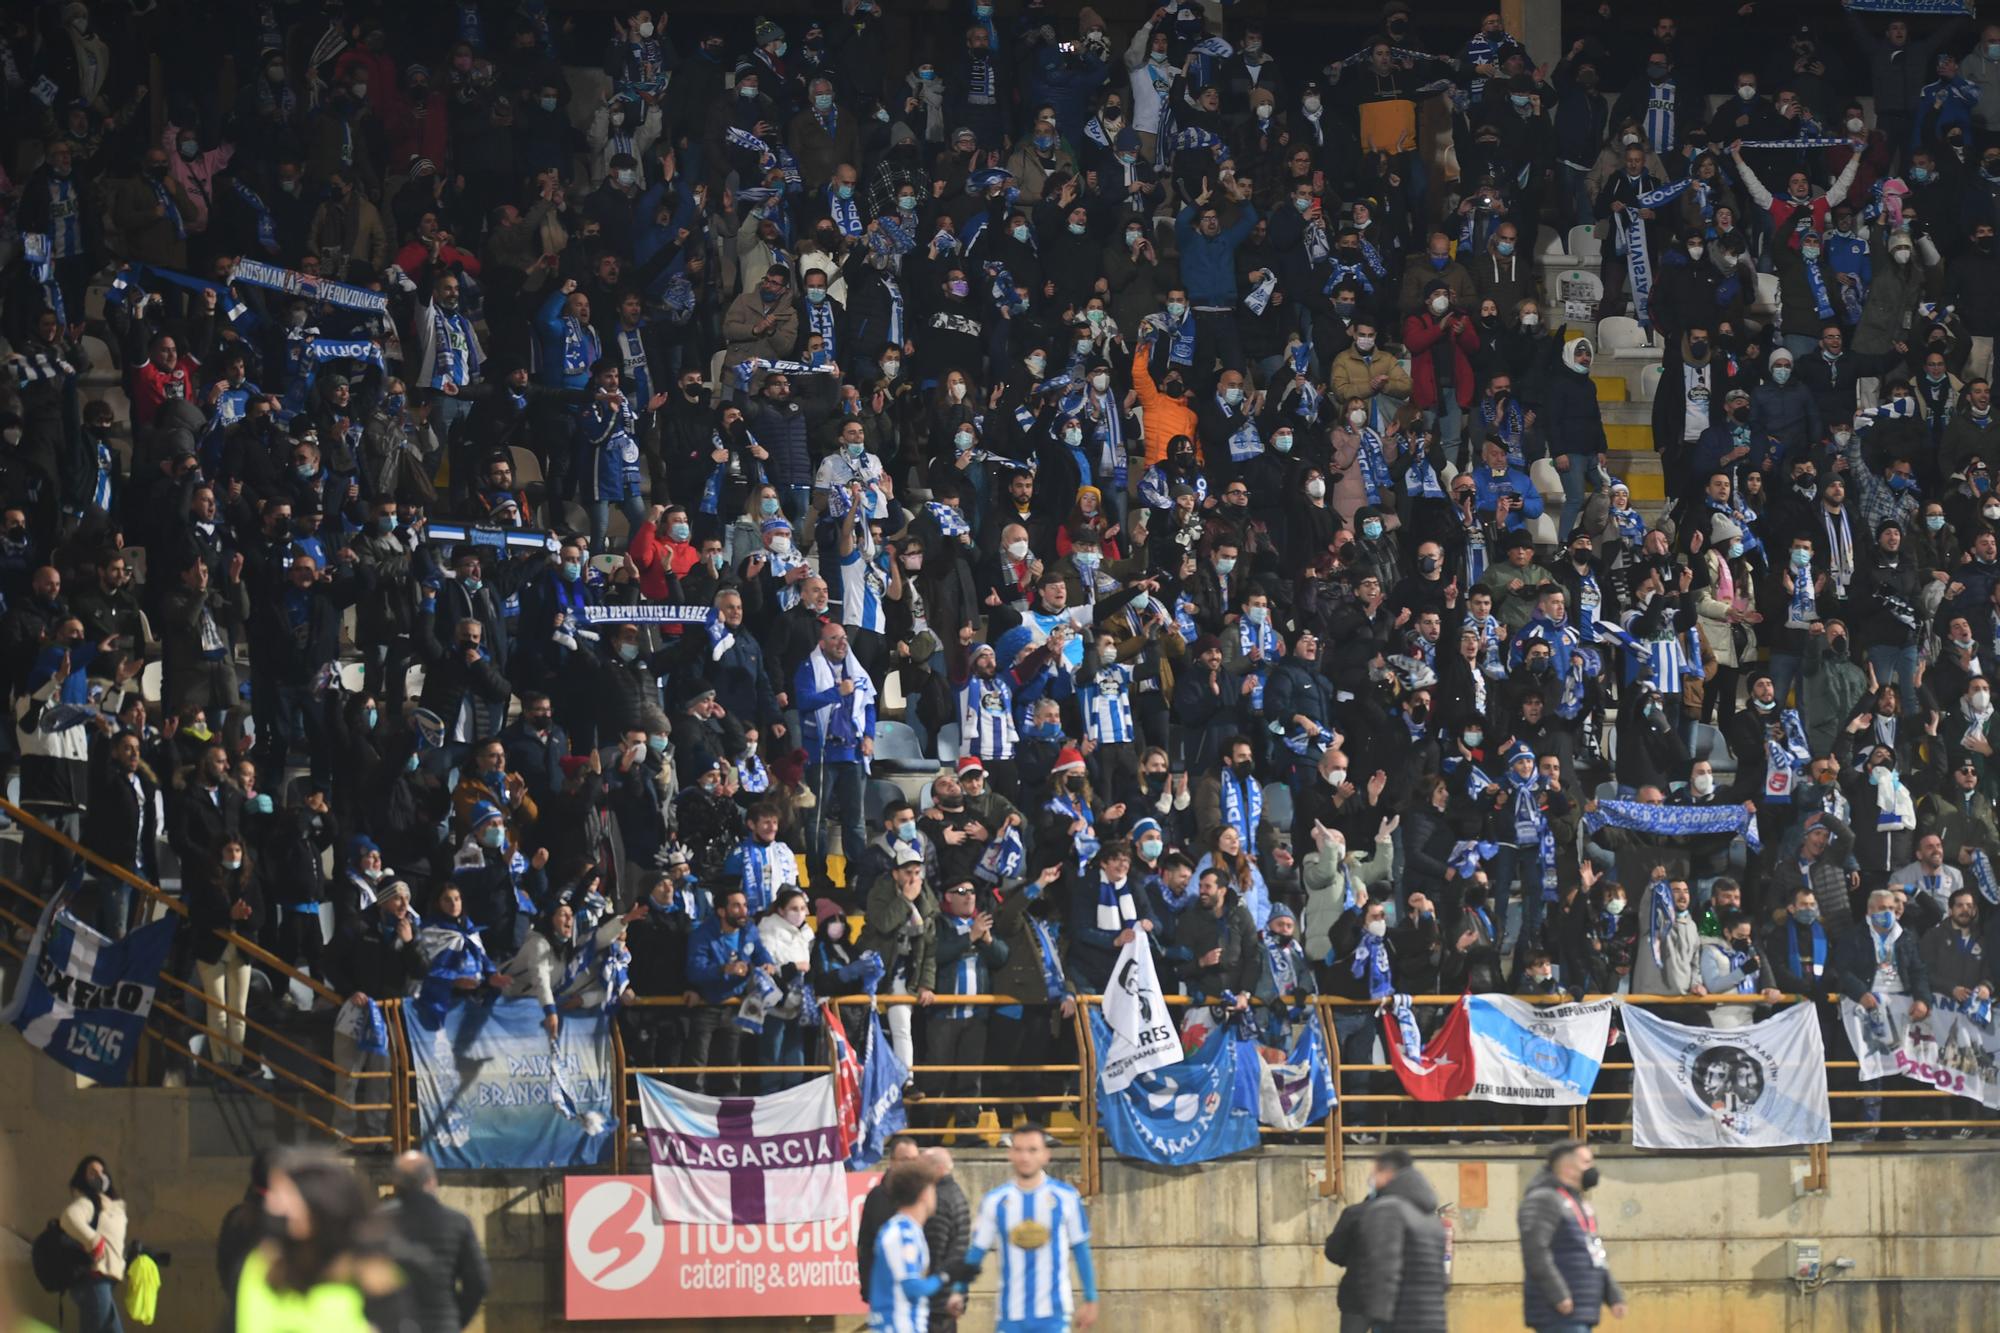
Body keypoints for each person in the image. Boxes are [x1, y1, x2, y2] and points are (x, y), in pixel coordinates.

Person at [958, 1123, 1098, 1330]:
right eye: (1019, 1150)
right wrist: (958, 1289)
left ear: (1045, 1155)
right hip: (1010, 1316)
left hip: (1053, 1316)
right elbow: (976, 1252)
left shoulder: (1066, 1197)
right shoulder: (995, 1200)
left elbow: (1081, 1250)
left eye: (1032, 1150)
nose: (1025, 1157)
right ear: (1010, 1154)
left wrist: (1091, 1299)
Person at [1322, 1148, 1449, 1333]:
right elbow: (1443, 1276)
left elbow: (1383, 1269)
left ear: (1387, 1174)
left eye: (1374, 1172)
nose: (1371, 1178)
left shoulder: (1384, 1211)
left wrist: (1379, 1317)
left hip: (1389, 1314)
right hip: (1431, 1318)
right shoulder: (1430, 1218)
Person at [1519, 1140, 1628, 1331]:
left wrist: (1613, 1296)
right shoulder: (1543, 1199)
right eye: (1586, 1163)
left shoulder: (1575, 1202)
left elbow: (1594, 1252)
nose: (1592, 1168)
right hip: (1558, 1311)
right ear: (1568, 1168)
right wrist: (1558, 1295)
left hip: (1581, 1308)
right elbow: (1535, 1252)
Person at [381, 1152, 489, 1333]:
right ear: (431, 1181)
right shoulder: (457, 1222)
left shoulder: (376, 1222)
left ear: (395, 1183)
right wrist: (454, 1320)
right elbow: (478, 1281)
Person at [60, 1156, 127, 1333]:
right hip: (93, 1280)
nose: (100, 1175)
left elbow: (112, 1243)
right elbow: (69, 1218)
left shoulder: (110, 1207)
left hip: (102, 1283)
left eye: (102, 1171)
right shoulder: (87, 1202)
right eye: (93, 1172)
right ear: (83, 1177)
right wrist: (93, 1241)